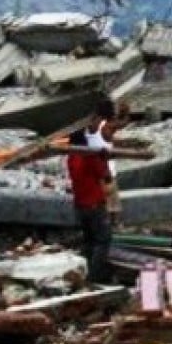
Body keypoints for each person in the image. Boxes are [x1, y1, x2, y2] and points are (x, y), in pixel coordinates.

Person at [67, 130, 113, 284]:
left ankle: (84, 273)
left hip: (80, 207)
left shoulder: (71, 157)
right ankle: (94, 277)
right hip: (94, 206)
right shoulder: (89, 157)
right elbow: (105, 175)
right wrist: (104, 158)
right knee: (102, 241)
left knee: (88, 242)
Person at [84, 99, 121, 224]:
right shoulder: (106, 127)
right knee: (112, 206)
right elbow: (121, 123)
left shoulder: (90, 126)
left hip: (93, 171)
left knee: (99, 204)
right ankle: (113, 228)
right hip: (107, 171)